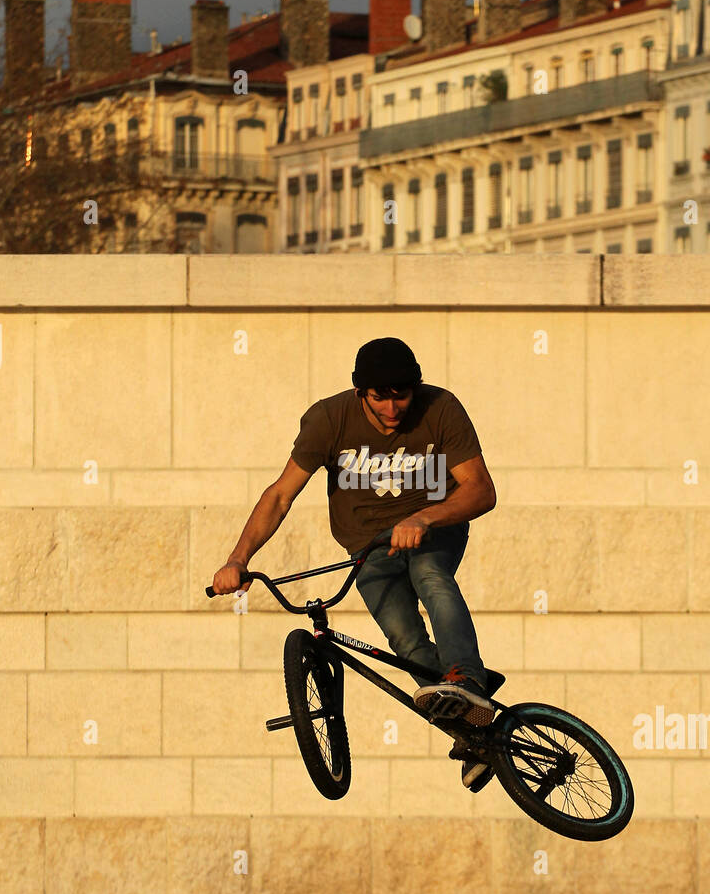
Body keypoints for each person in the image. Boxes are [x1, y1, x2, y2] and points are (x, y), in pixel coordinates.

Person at [210, 337, 498, 792]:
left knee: (429, 575)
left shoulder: (441, 409)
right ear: (360, 391)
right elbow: (280, 495)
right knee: (403, 637)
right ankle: (475, 735)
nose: (391, 408)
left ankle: (469, 678)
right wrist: (238, 559)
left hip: (434, 527)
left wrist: (423, 516)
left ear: (415, 386)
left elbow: (481, 490)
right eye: (379, 397)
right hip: (367, 546)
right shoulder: (328, 420)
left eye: (401, 395)